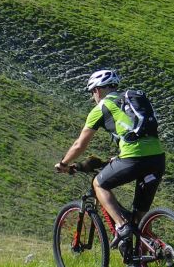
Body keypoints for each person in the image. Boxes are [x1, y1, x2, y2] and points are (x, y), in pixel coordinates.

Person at [54, 68, 166, 251]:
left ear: (97, 90)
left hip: (134, 157)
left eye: (92, 93)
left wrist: (64, 164)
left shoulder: (101, 108)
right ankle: (143, 261)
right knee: (140, 219)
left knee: (98, 183)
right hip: (157, 159)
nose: (93, 97)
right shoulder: (129, 102)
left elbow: (79, 145)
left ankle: (121, 225)